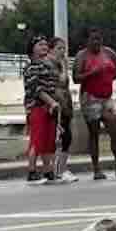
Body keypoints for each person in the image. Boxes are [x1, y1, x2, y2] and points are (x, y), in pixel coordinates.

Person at [73, 28, 116, 180]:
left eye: (99, 39)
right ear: (87, 41)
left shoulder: (108, 52)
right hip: (90, 98)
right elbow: (76, 78)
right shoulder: (82, 56)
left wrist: (110, 77)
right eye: (93, 39)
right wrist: (91, 74)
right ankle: (96, 169)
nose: (96, 42)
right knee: (94, 133)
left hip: (106, 98)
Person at [23, 34, 60, 185]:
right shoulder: (31, 67)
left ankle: (48, 170)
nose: (44, 47)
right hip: (37, 107)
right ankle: (31, 170)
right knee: (37, 140)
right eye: (40, 45)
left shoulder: (47, 65)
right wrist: (52, 102)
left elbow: (54, 85)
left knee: (49, 140)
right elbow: (37, 89)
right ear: (32, 49)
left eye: (45, 44)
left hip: (50, 107)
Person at [50, 37, 78, 184]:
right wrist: (63, 65)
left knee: (67, 136)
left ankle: (63, 167)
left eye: (64, 49)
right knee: (62, 137)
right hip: (57, 103)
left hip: (66, 102)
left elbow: (67, 82)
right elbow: (60, 81)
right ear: (52, 49)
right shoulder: (51, 64)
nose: (62, 52)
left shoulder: (60, 64)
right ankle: (58, 170)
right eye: (59, 48)